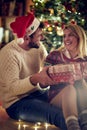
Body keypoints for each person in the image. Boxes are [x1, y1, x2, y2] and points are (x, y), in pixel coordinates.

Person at [0, 12, 67, 130]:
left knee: (69, 105)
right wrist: (35, 78)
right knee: (56, 114)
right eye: (39, 35)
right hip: (16, 103)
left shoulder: (38, 47)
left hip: (36, 93)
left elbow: (48, 63)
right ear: (26, 38)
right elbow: (13, 88)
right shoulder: (9, 54)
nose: (42, 38)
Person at [45, 23, 87, 130]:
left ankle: (85, 122)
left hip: (82, 96)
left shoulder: (85, 59)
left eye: (70, 35)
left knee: (80, 83)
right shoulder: (54, 55)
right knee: (69, 89)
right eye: (64, 36)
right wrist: (59, 73)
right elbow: (43, 79)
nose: (66, 39)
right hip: (58, 96)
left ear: (79, 37)